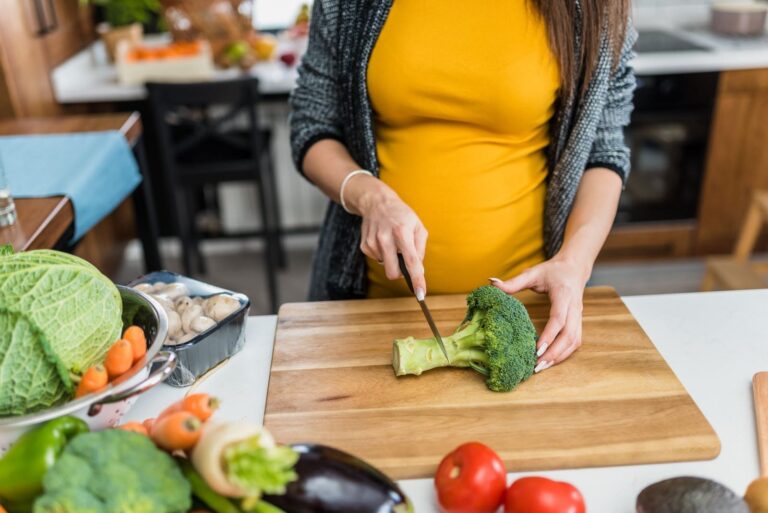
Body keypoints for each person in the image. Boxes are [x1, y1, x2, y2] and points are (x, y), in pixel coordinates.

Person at [290, 0, 636, 373]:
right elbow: (313, 125)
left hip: (530, 316)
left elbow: (603, 150)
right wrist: (370, 197)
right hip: (369, 306)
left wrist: (574, 263)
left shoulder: (593, 6)